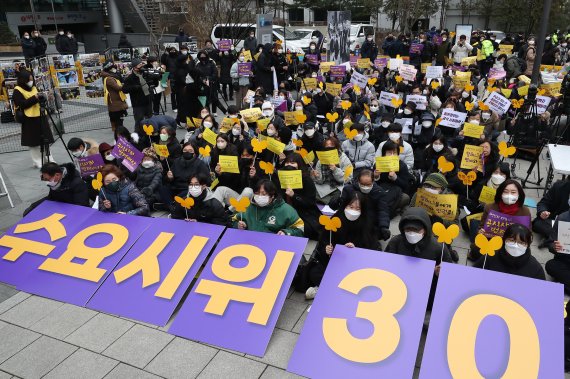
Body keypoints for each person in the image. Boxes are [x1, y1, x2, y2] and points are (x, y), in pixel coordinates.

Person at [298, 191, 380, 299]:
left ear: (362, 210)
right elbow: (324, 240)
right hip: (333, 262)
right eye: (350, 207)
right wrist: (326, 249)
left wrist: (356, 249)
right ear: (345, 205)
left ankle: (323, 289)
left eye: (357, 209)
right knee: (315, 273)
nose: (353, 211)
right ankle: (332, 288)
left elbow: (372, 248)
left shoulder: (367, 224)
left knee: (358, 279)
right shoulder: (336, 219)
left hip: (354, 266)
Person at [386, 207, 453, 309]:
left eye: (416, 230)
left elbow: (449, 271)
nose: (412, 233)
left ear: (425, 229)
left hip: (425, 291)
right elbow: (384, 263)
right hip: (399, 286)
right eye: (408, 229)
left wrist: (440, 273)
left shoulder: (438, 247)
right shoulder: (395, 242)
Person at [468, 179, 531, 260]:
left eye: (513, 192)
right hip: (491, 241)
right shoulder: (490, 207)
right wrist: (481, 232)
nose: (509, 195)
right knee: (477, 252)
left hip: (512, 244)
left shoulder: (525, 211)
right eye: (505, 191)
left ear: (519, 194)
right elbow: (481, 227)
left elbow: (528, 233)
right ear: (500, 193)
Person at [12, 70, 55, 168]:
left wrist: (44, 96)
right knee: (33, 142)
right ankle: (37, 161)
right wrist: (34, 98)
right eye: (29, 80)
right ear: (24, 80)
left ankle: (49, 158)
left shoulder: (34, 87)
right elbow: (21, 104)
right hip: (29, 119)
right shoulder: (17, 90)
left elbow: (39, 99)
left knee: (46, 139)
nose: (31, 81)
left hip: (41, 115)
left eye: (32, 79)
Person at [233, 179, 304, 236]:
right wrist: (239, 225)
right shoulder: (248, 206)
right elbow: (233, 220)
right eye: (257, 193)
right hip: (250, 243)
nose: (260, 196)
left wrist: (285, 232)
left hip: (273, 245)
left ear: (272, 195)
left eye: (264, 194)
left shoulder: (286, 210)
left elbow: (300, 229)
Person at [474, 224, 545, 280]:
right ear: (504, 240)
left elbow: (540, 290)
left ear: (528, 245)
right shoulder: (489, 257)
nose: (516, 245)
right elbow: (474, 275)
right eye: (512, 240)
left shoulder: (535, 268)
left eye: (521, 243)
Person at [278, 154, 321, 239]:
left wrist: (294, 195)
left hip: (303, 213)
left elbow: (310, 203)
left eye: (293, 163)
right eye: (287, 163)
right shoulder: (280, 177)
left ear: (299, 165)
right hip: (284, 213)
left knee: (305, 229)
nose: (289, 165)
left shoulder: (306, 180)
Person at [23, 162, 90, 216]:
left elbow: (82, 206)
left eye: (48, 179)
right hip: (62, 209)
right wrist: (33, 207)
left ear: (57, 175)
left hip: (76, 214)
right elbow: (51, 197)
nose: (47, 182)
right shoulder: (55, 183)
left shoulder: (77, 183)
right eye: (44, 179)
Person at [313, 137, 353, 204]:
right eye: (327, 146)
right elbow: (320, 182)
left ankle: (331, 202)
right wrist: (317, 176)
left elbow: (347, 179)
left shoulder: (344, 159)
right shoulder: (320, 161)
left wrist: (335, 170)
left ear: (336, 147)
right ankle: (332, 203)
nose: (329, 147)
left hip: (339, 186)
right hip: (325, 186)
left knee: (345, 193)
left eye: (331, 145)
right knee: (312, 191)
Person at [533, 178, 570, 248]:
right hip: (555, 222)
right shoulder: (559, 186)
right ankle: (554, 239)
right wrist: (543, 211)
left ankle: (550, 240)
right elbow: (543, 203)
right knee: (538, 224)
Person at [123, 58, 153, 136]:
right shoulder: (130, 78)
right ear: (135, 67)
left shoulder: (145, 74)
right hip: (138, 104)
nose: (142, 66)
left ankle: (150, 135)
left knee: (150, 120)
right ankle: (137, 137)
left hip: (148, 101)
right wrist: (135, 87)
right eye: (140, 65)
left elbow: (152, 83)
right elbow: (124, 89)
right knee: (139, 122)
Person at [546, 207, 570, 294]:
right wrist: (554, 247)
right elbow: (550, 242)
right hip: (564, 260)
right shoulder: (563, 218)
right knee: (550, 265)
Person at [101, 60, 128, 134]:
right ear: (109, 68)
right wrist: (125, 85)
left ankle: (118, 133)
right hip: (115, 103)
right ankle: (119, 135)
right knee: (118, 122)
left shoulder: (111, 76)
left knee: (118, 121)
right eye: (113, 67)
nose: (114, 69)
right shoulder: (109, 78)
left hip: (116, 102)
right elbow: (118, 88)